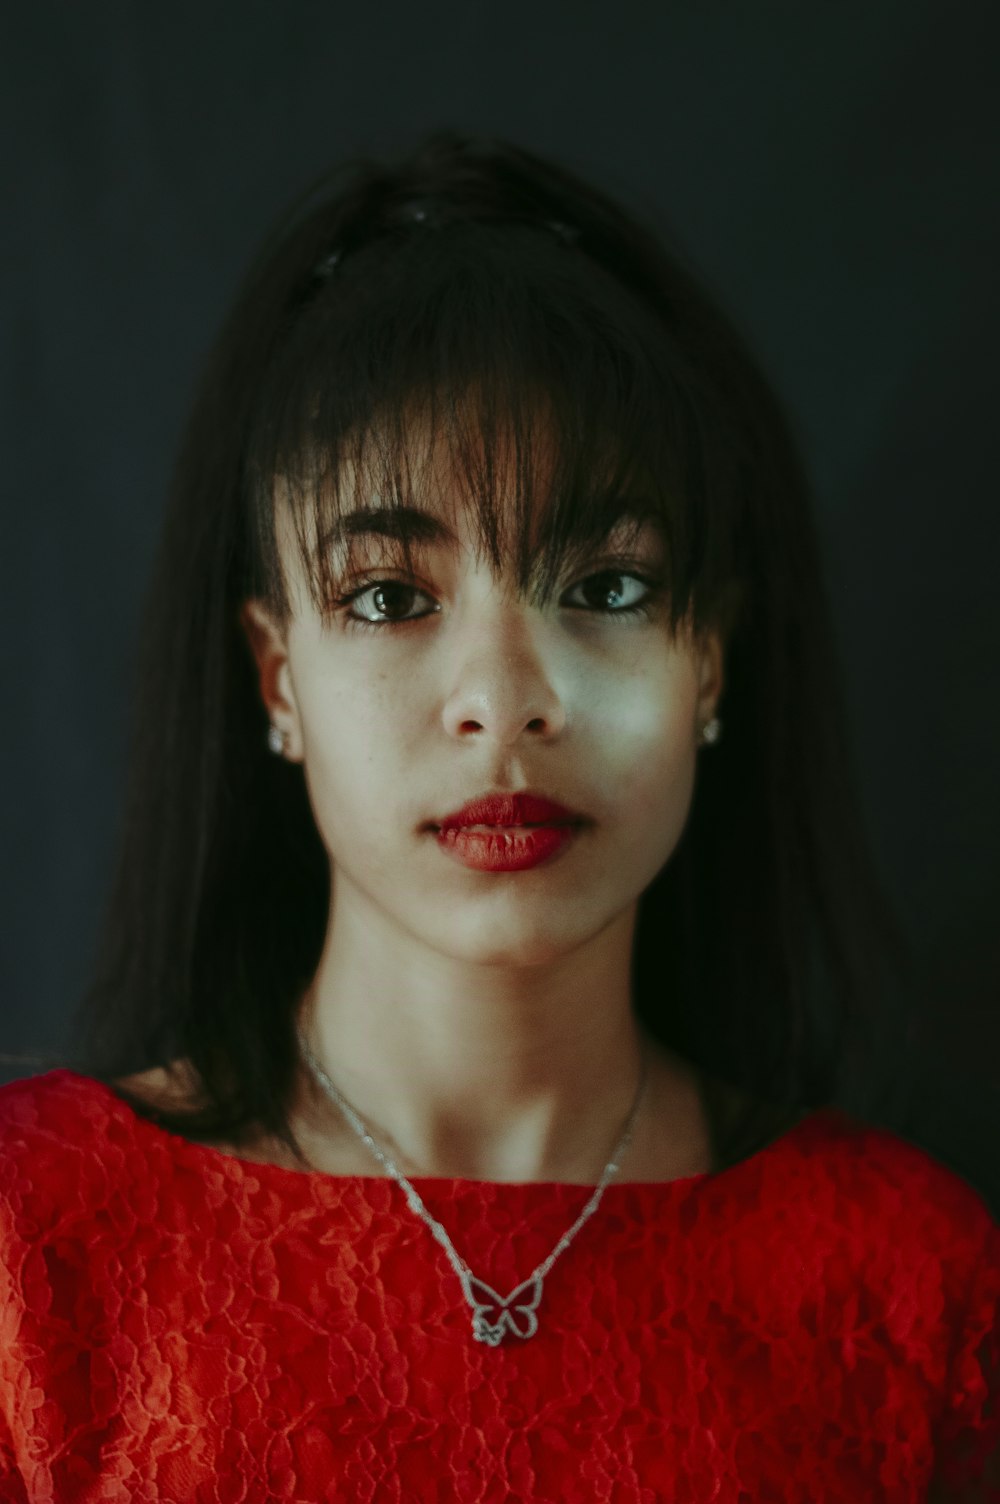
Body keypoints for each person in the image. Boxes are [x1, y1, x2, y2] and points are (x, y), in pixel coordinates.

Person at [0, 130, 995, 1502]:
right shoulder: (30, 1263)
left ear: (710, 659)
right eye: (391, 599)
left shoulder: (915, 1300)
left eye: (608, 587)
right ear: (276, 677)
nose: (506, 702)